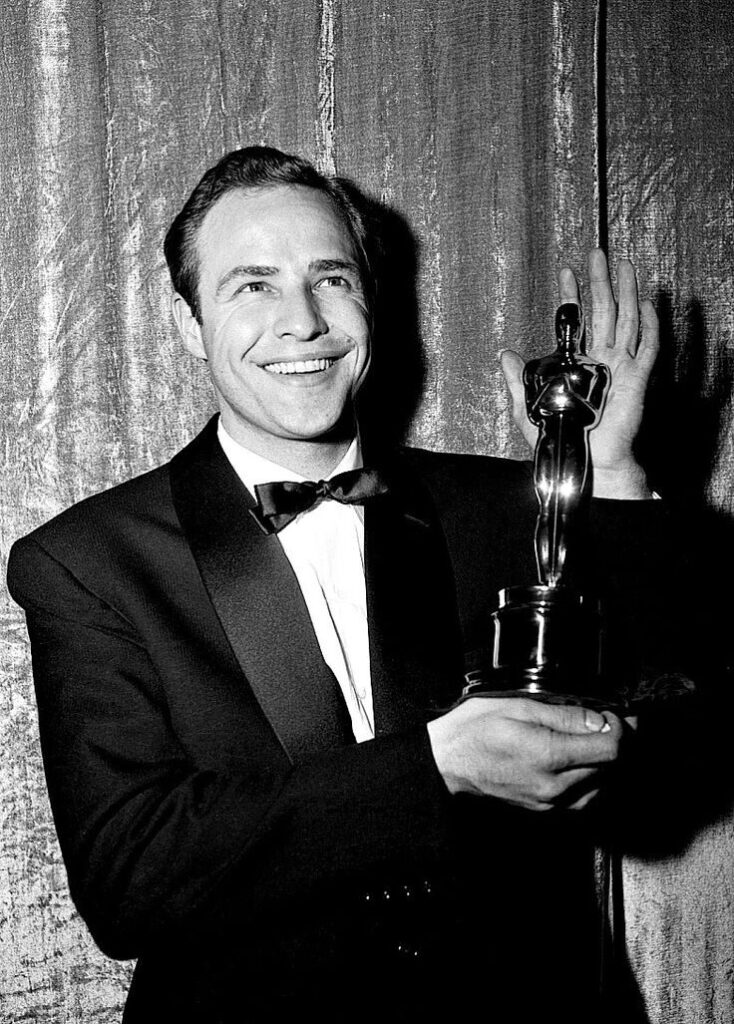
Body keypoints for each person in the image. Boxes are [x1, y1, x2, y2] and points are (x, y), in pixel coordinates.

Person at [8, 146, 673, 1022]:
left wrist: (616, 481)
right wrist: (437, 769)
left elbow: (675, 714)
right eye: (253, 285)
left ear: (373, 301)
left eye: (332, 278)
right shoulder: (87, 560)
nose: (303, 322)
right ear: (186, 325)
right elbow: (131, 876)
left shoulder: (503, 506)